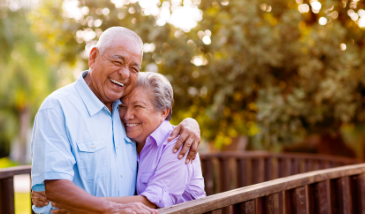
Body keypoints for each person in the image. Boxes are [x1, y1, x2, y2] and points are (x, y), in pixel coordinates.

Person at [31, 27, 201, 214]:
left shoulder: (123, 110)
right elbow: (56, 188)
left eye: (134, 68)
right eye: (117, 61)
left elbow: (157, 122)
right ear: (93, 57)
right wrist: (109, 208)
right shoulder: (57, 108)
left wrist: (191, 123)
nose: (125, 74)